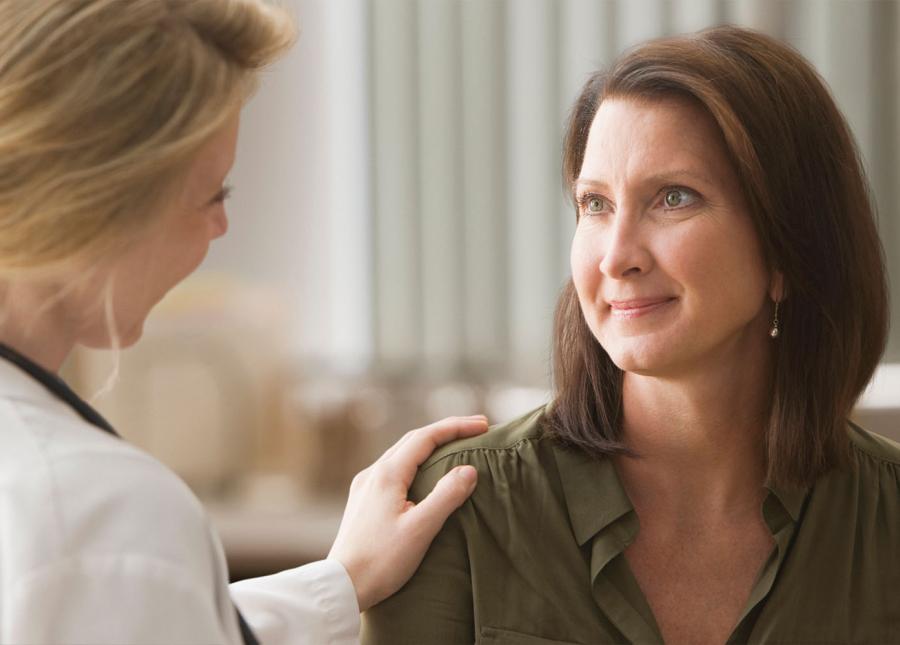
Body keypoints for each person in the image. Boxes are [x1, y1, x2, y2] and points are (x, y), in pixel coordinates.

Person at [362, 25, 900, 645]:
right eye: (595, 204)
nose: (616, 257)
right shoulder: (458, 507)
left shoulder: (886, 522)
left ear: (787, 250)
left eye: (674, 198)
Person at [0, 1, 488, 643]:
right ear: (104, 197)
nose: (220, 228)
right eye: (213, 195)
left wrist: (341, 582)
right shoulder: (101, 516)